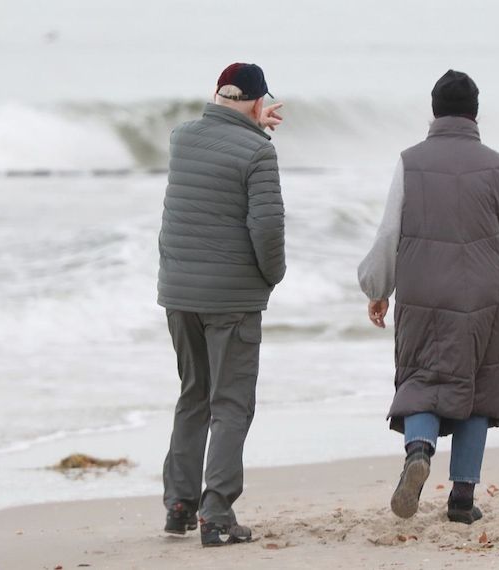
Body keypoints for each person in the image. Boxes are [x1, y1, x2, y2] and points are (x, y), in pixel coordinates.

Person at [358, 69, 499, 524]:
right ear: (475, 113)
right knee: (480, 386)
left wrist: (378, 288)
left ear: (433, 110)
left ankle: (419, 451)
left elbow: (389, 230)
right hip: (487, 291)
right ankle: (462, 498)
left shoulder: (410, 160)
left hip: (424, 286)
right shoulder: (495, 164)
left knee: (423, 378)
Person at [157, 63, 286, 547]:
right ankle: (217, 516)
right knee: (230, 404)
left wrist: (248, 123)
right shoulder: (258, 152)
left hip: (179, 292)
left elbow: (215, 138)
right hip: (230, 297)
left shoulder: (180, 138)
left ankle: (178, 505)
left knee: (193, 395)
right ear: (258, 103)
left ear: (216, 94)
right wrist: (272, 277)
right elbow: (267, 229)